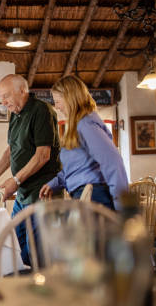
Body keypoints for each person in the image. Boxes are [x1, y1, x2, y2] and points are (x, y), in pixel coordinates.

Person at [0, 74, 61, 267]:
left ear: (22, 91)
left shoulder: (41, 110)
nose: (3, 101)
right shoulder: (16, 115)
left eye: (6, 96)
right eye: (1, 97)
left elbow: (43, 155)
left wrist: (14, 181)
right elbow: (11, 151)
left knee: (37, 254)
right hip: (23, 194)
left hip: (41, 193)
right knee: (16, 245)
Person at [39, 75, 128, 210]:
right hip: (85, 196)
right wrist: (54, 183)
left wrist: (125, 209)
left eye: (57, 101)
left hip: (94, 197)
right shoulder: (77, 126)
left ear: (70, 98)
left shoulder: (86, 124)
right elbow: (76, 167)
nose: (56, 107)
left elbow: (113, 163)